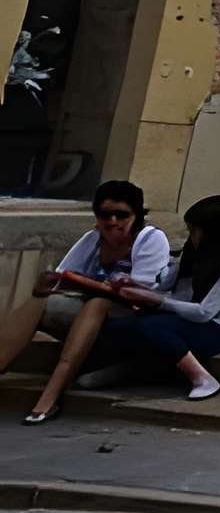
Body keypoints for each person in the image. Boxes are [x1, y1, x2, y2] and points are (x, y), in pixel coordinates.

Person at [3, 179, 171, 425]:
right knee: (38, 301)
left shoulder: (150, 239)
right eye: (105, 214)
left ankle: (51, 396)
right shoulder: (92, 239)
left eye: (121, 215)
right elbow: (63, 275)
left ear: (136, 216)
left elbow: (138, 295)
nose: (112, 221)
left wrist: (88, 284)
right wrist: (49, 284)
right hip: (93, 312)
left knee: (98, 302)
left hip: (135, 317)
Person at [91, 195, 220, 402]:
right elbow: (164, 287)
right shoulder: (191, 252)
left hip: (213, 328)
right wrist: (134, 285)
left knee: (150, 327)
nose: (191, 236)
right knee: (118, 325)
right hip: (178, 318)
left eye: (194, 230)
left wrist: (159, 301)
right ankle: (127, 369)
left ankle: (202, 378)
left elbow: (204, 312)